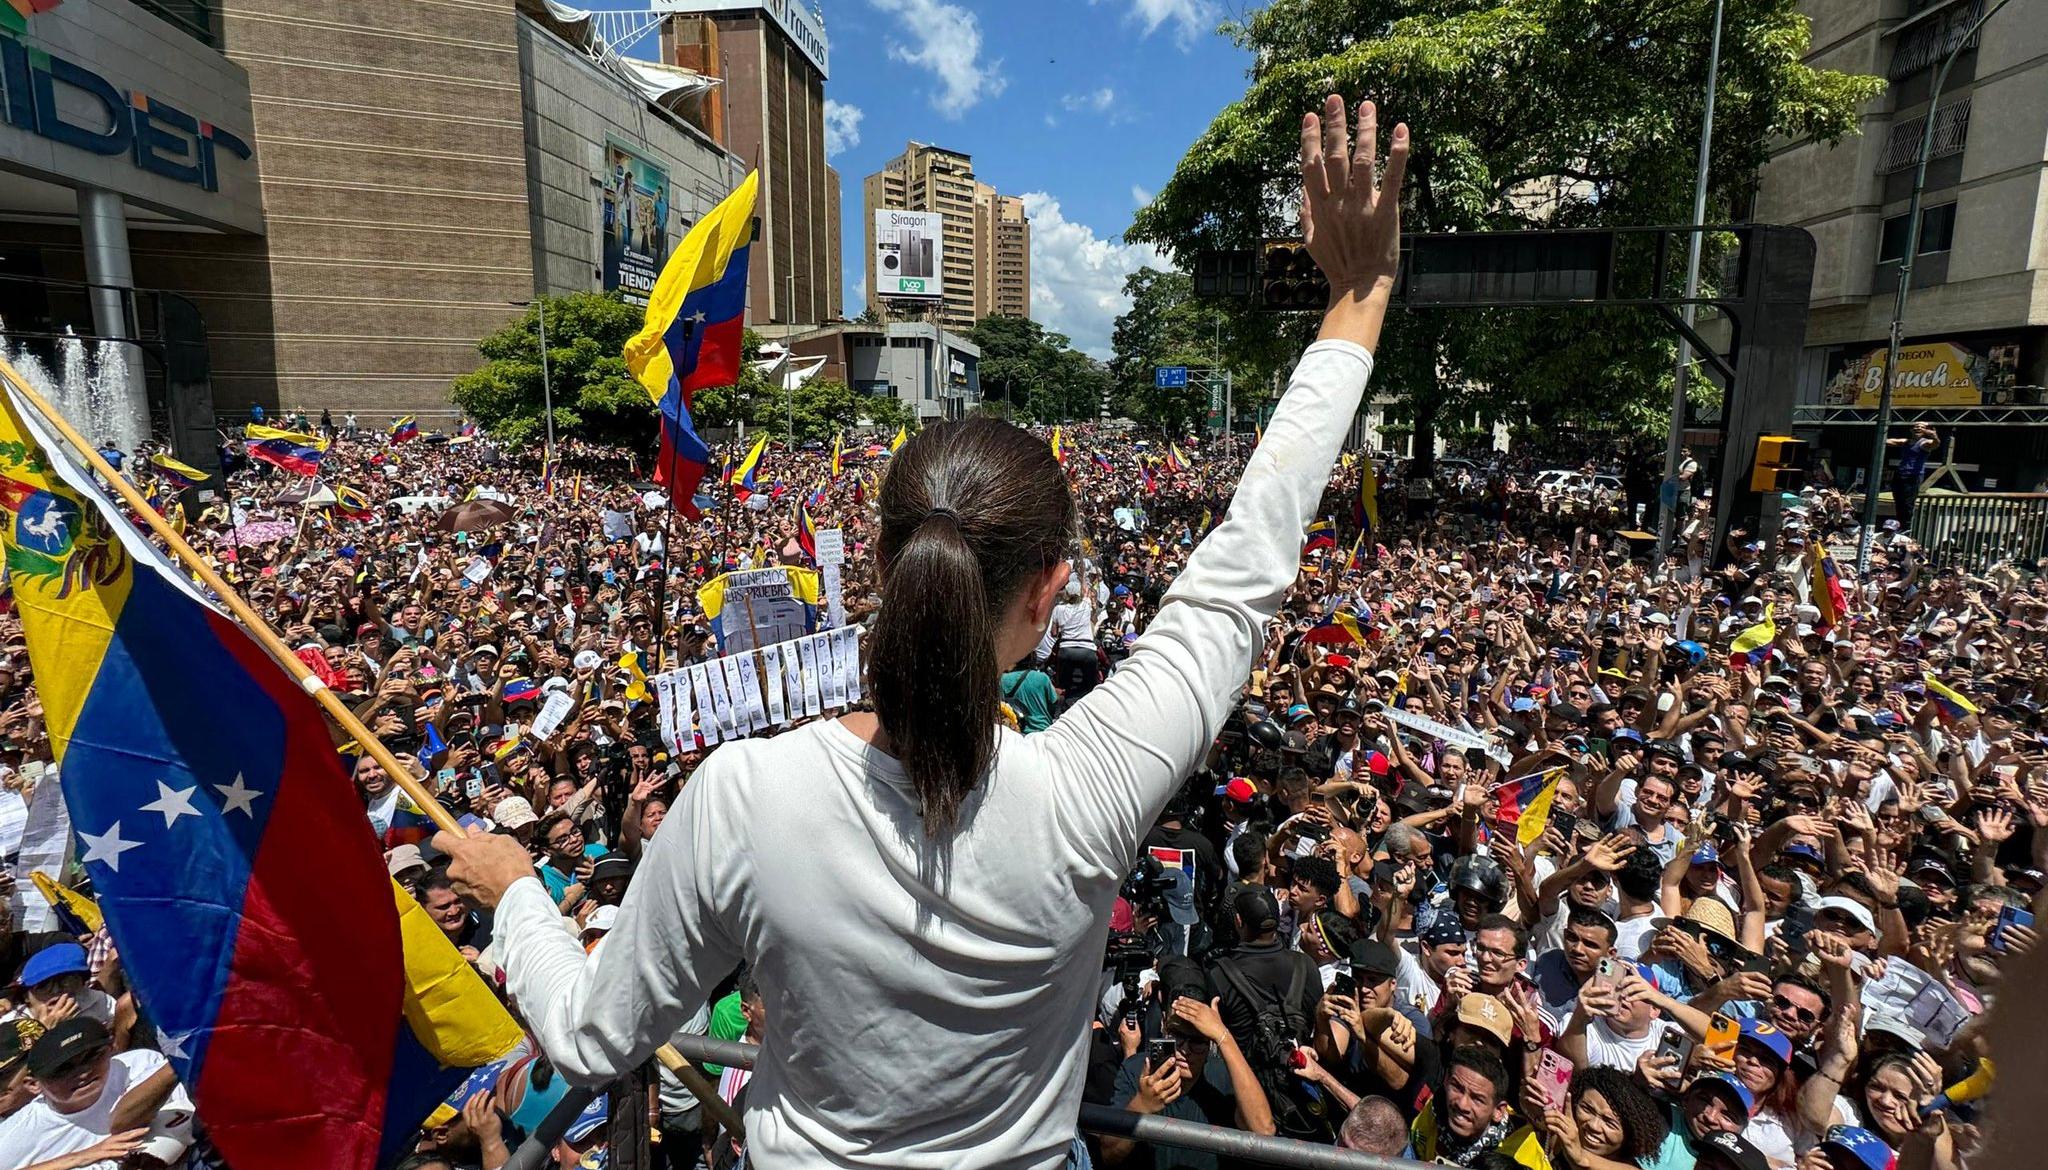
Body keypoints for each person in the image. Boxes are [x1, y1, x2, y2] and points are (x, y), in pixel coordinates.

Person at [435, 94, 1412, 1166]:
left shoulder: (746, 800)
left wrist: (514, 891)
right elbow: (1241, 569)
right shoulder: (1093, 789)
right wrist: (1354, 299)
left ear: (880, 566)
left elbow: (588, 1036)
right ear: (1049, 593)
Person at [0, 1017, 192, 1170]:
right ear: (34, 1085)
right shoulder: (11, 1137)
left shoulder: (139, 1064)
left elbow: (178, 1120)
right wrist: (78, 1158)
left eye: (92, 1056)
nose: (83, 1073)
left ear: (111, 1049)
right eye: (62, 1069)